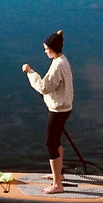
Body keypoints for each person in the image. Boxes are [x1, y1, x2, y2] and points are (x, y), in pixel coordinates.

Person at [22, 29, 74, 193]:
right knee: (56, 141)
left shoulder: (58, 65)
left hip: (58, 110)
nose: (45, 51)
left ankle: (57, 185)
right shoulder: (62, 59)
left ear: (53, 48)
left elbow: (44, 87)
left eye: (46, 49)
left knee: (50, 144)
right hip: (64, 108)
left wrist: (30, 72)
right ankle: (59, 175)